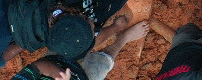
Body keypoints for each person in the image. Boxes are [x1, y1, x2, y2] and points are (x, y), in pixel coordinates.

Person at [7, 0, 143, 61]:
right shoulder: (72, 43)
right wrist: (114, 28)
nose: (94, 25)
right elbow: (93, 40)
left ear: (76, 13)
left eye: (88, 22)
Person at [11, 21, 150, 80]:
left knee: (82, 40)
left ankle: (114, 27)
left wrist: (60, 76)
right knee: (104, 62)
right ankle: (123, 39)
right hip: (84, 76)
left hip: (56, 62)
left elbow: (38, 67)